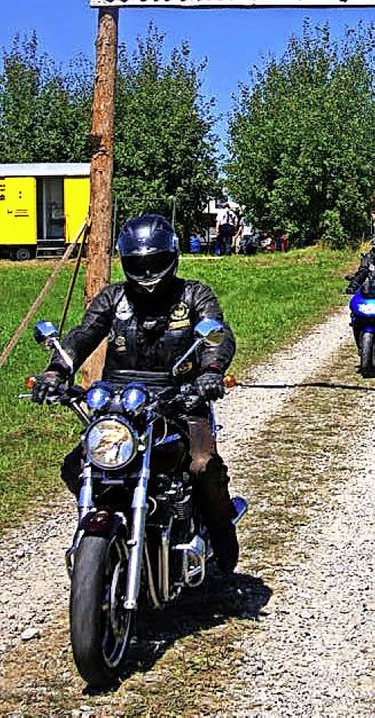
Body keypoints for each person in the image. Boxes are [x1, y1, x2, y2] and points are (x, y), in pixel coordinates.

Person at [31, 213, 240, 574]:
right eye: (138, 264)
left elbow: (218, 334)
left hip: (182, 398)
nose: (146, 272)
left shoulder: (193, 295)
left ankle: (221, 538)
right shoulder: (114, 298)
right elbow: (84, 334)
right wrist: (56, 371)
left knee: (201, 466)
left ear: (171, 257)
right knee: (75, 466)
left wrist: (210, 372)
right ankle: (108, 532)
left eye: (155, 262)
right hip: (120, 403)